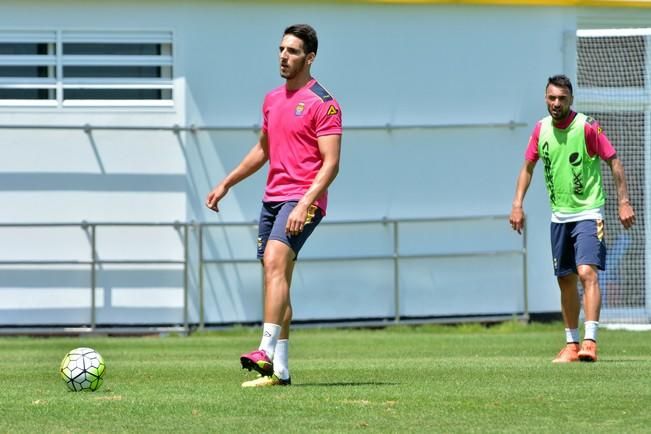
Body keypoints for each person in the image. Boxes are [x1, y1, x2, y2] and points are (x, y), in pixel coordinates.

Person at [205, 24, 342, 386]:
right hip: (272, 199)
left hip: (303, 199)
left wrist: (305, 204)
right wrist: (226, 183)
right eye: (281, 49)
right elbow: (263, 150)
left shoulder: (323, 103)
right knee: (275, 279)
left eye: (293, 51)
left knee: (274, 263)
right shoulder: (271, 99)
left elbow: (331, 164)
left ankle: (264, 351)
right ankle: (279, 371)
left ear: (309, 58)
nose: (284, 56)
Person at [509, 74, 635, 363]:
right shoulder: (540, 130)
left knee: (586, 272)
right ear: (545, 99)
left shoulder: (588, 127)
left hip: (589, 213)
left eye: (562, 99)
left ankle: (590, 341)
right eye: (552, 98)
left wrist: (623, 201)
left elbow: (613, 160)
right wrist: (517, 204)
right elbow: (528, 167)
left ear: (571, 100)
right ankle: (571, 345)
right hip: (559, 217)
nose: (556, 103)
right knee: (565, 279)